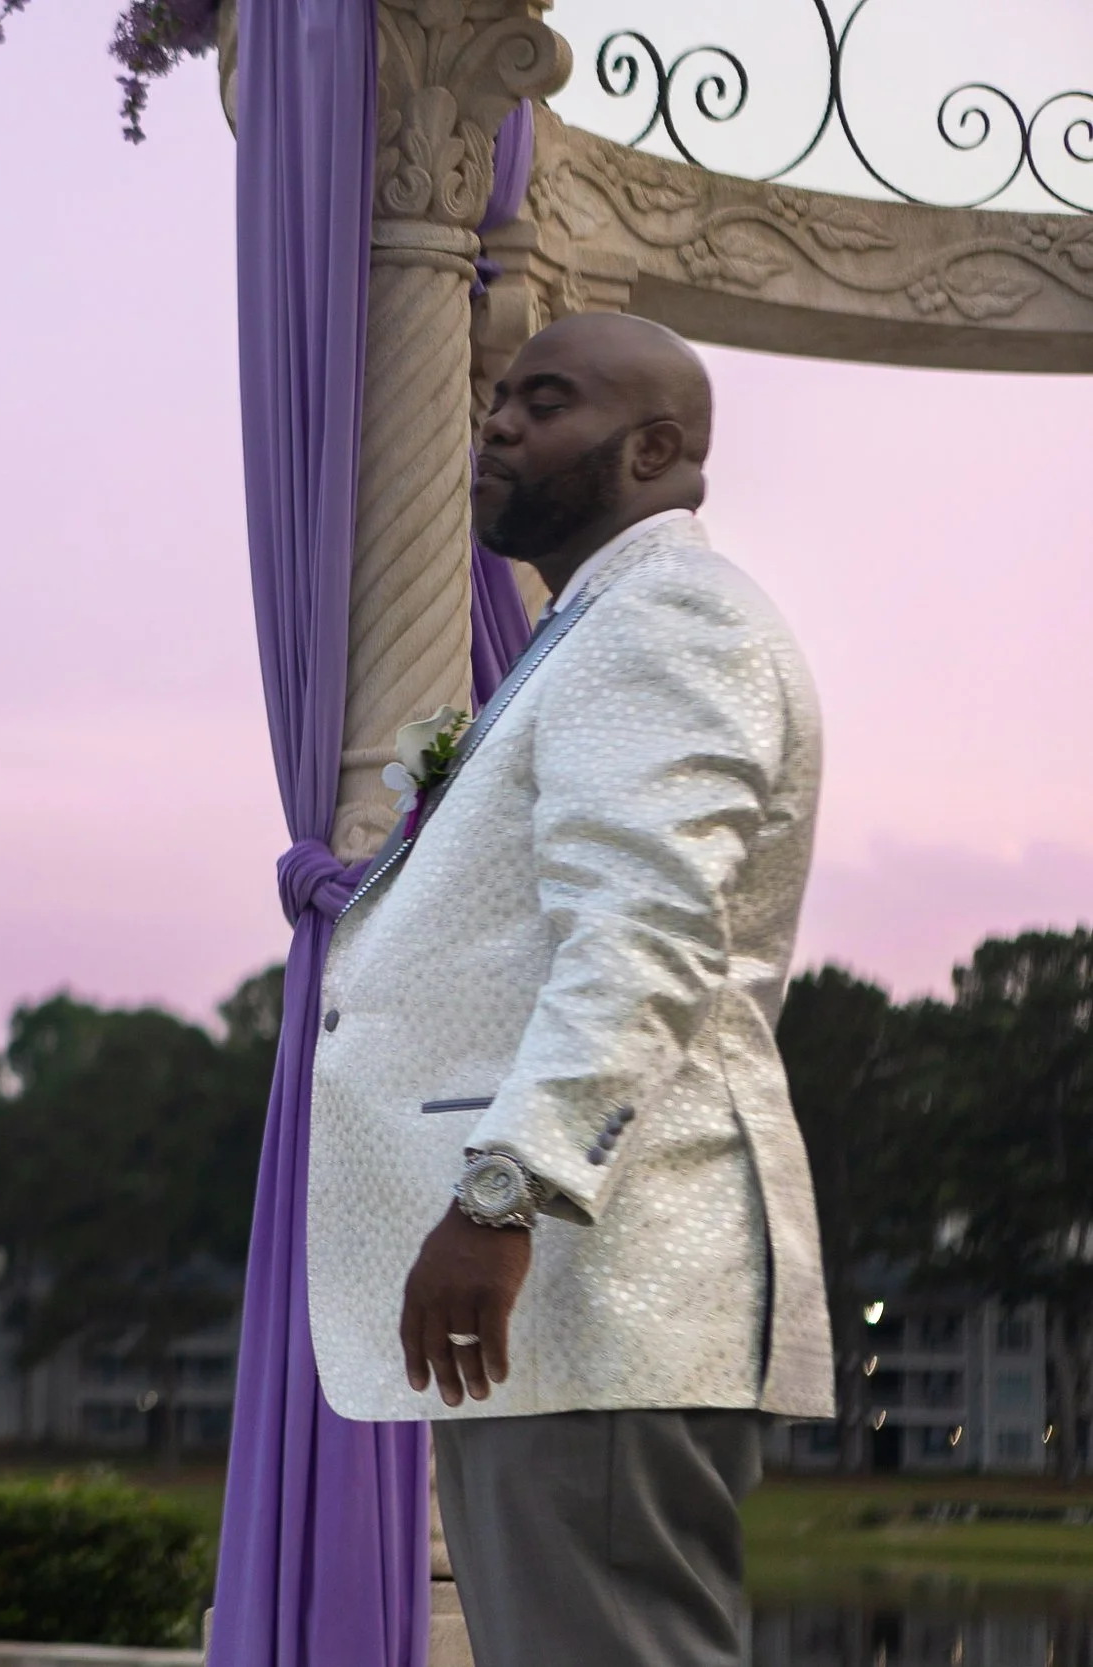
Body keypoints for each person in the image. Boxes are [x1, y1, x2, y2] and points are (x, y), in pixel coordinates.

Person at [305, 312, 830, 1667]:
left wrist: (503, 1190)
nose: (497, 423)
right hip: (566, 1312)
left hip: (604, 1280)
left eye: (546, 402)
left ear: (656, 450)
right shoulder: (591, 626)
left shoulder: (669, 621)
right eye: (499, 397)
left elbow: (645, 935)